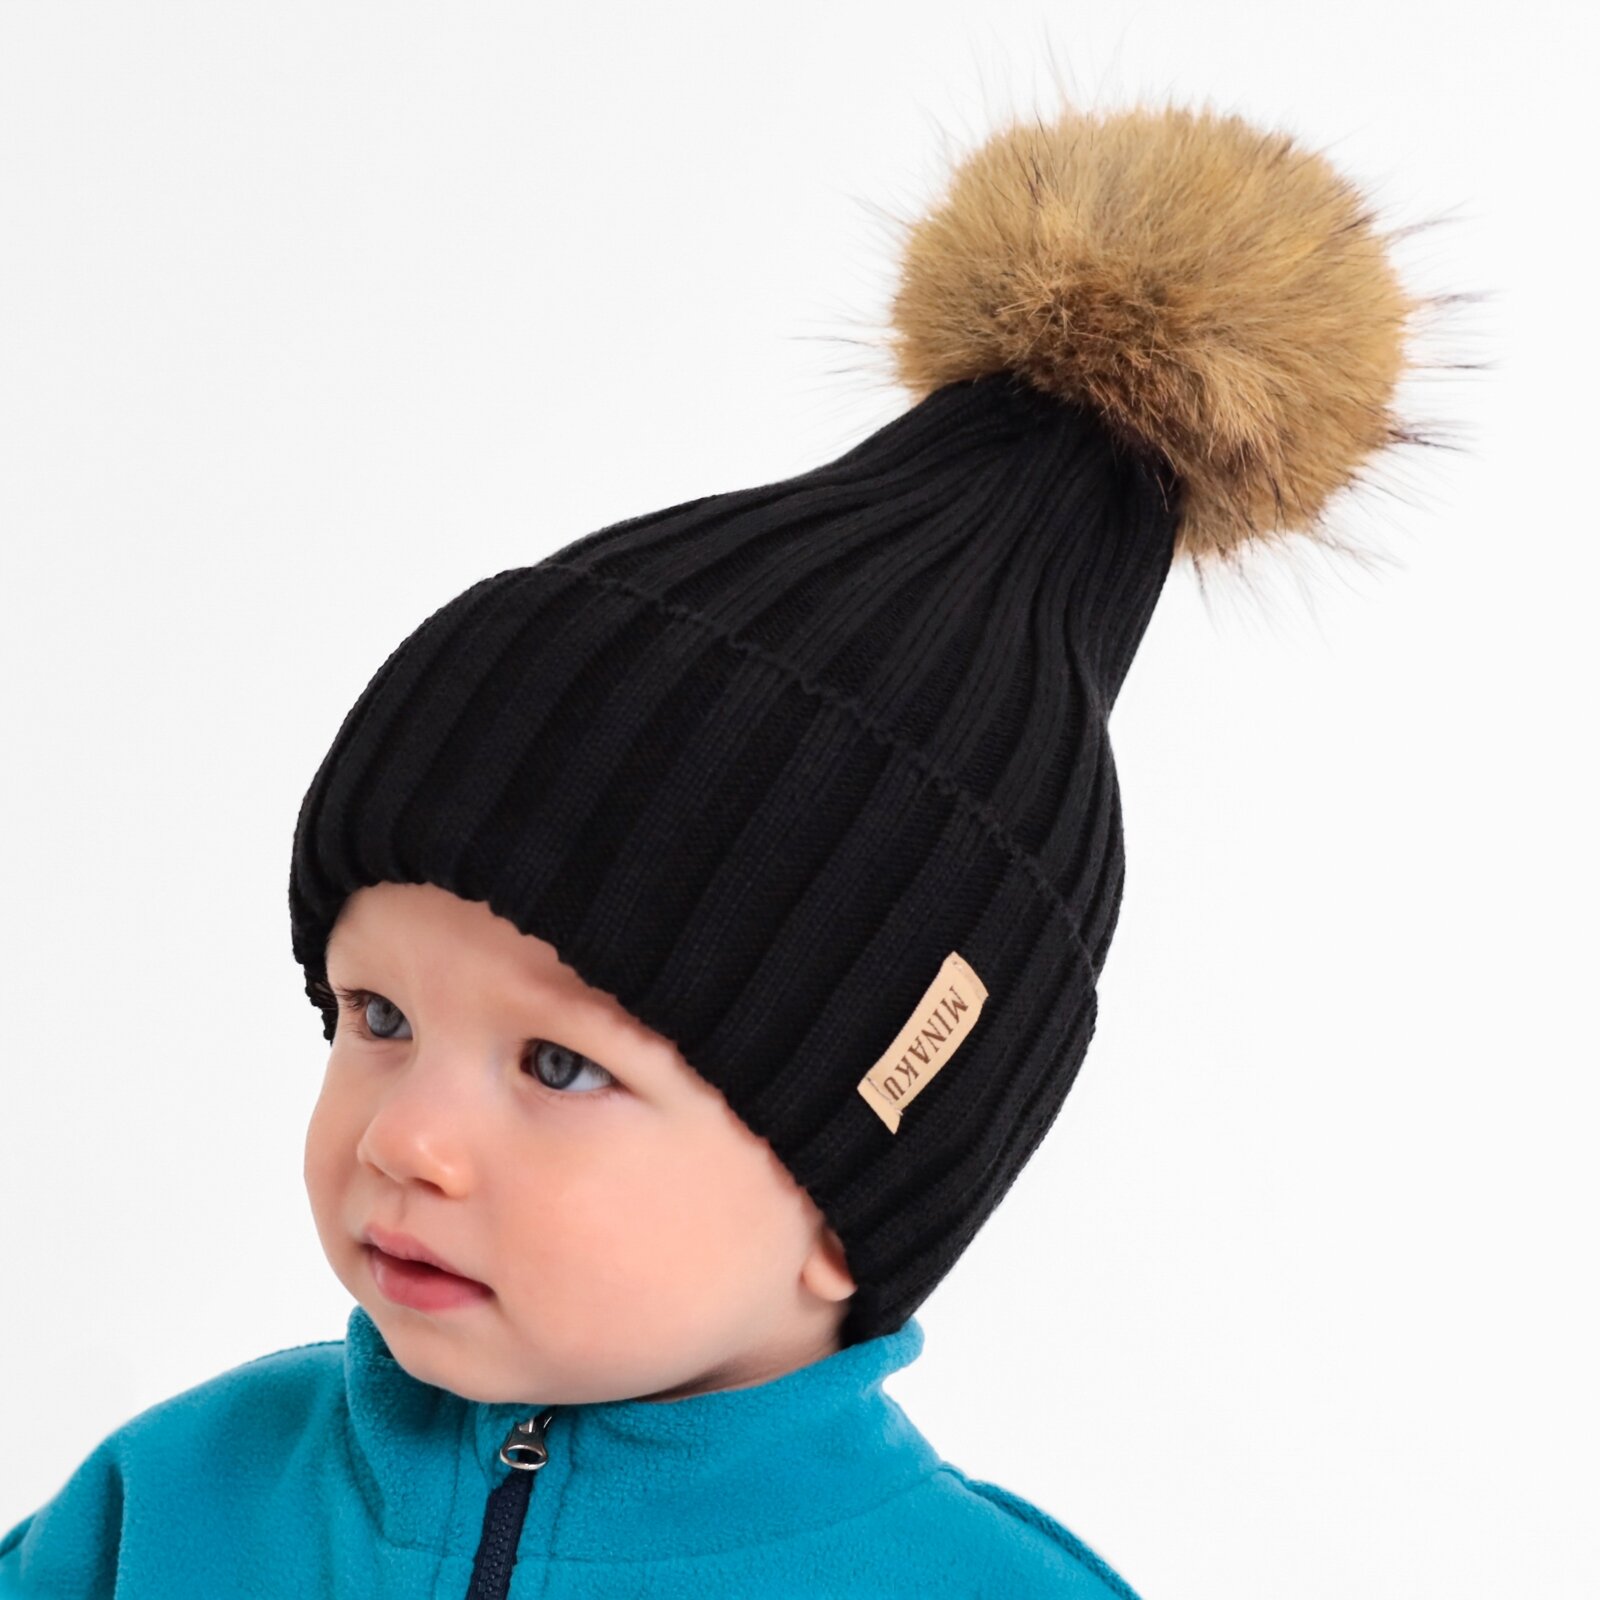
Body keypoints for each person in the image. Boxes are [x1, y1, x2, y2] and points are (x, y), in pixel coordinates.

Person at [0, 92, 1464, 1598]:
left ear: (848, 1204)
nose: (402, 1140)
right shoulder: (176, 1500)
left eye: (558, 1064)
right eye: (377, 1015)